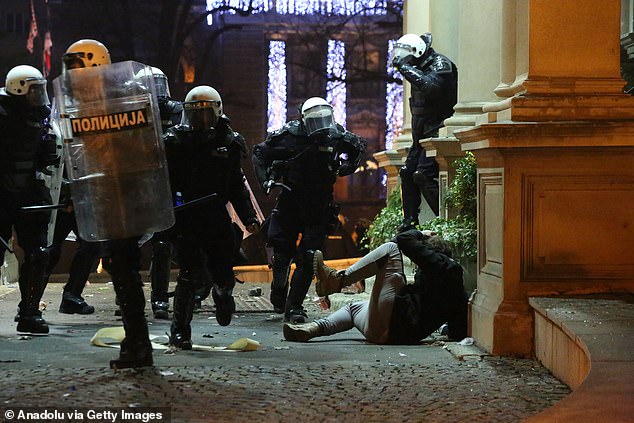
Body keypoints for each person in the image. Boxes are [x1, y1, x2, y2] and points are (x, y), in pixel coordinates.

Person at [54, 39, 171, 369]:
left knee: (125, 272)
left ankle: (138, 347)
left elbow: (137, 151)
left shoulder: (118, 99)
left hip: (127, 197)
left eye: (75, 67)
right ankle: (136, 344)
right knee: (123, 273)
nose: (71, 75)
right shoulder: (90, 101)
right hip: (109, 197)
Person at [252, 97, 366, 323]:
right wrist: (265, 180)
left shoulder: (336, 134)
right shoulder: (289, 136)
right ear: (304, 121)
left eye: (324, 119)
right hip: (291, 201)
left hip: (319, 205)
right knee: (282, 254)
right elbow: (260, 153)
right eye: (316, 121)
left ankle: (294, 307)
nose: (321, 126)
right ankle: (279, 287)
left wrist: (348, 166)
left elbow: (358, 146)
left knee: (308, 258)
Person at [164, 85, 260, 350]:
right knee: (188, 274)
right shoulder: (173, 141)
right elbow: (162, 183)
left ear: (217, 112)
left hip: (216, 216)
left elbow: (236, 185)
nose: (201, 120)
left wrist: (248, 216)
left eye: (206, 113)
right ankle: (180, 332)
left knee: (222, 271)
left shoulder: (228, 143)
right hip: (185, 216)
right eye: (195, 114)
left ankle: (223, 294)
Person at [283, 229, 468, 344]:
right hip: (388, 335)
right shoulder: (456, 284)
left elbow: (402, 239)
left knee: (390, 248)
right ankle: (311, 330)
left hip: (395, 322)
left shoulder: (442, 264)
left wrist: (421, 234)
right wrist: (446, 330)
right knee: (353, 307)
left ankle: (338, 280)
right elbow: (459, 321)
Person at [44, 39, 116, 316]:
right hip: (66, 186)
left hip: (92, 185)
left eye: (76, 64)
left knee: (92, 245)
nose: (71, 71)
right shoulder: (66, 97)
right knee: (49, 246)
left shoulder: (109, 99)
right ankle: (30, 303)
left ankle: (71, 295)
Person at [0, 65, 56, 335]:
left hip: (29, 190)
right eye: (34, 91)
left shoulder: (40, 117)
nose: (39, 97)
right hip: (1, 192)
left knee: (39, 253)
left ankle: (30, 312)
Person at [392, 33, 458, 229]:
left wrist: (405, 68)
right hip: (421, 134)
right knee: (406, 172)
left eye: (408, 59)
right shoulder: (419, 67)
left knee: (422, 174)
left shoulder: (440, 63)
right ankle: (409, 222)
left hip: (438, 131)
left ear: (417, 52)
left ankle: (447, 218)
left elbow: (431, 87)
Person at [147, 66, 183, 320]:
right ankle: (153, 296)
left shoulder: (179, 110)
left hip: (174, 182)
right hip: (145, 183)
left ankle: (174, 295)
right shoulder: (138, 109)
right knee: (130, 246)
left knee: (168, 242)